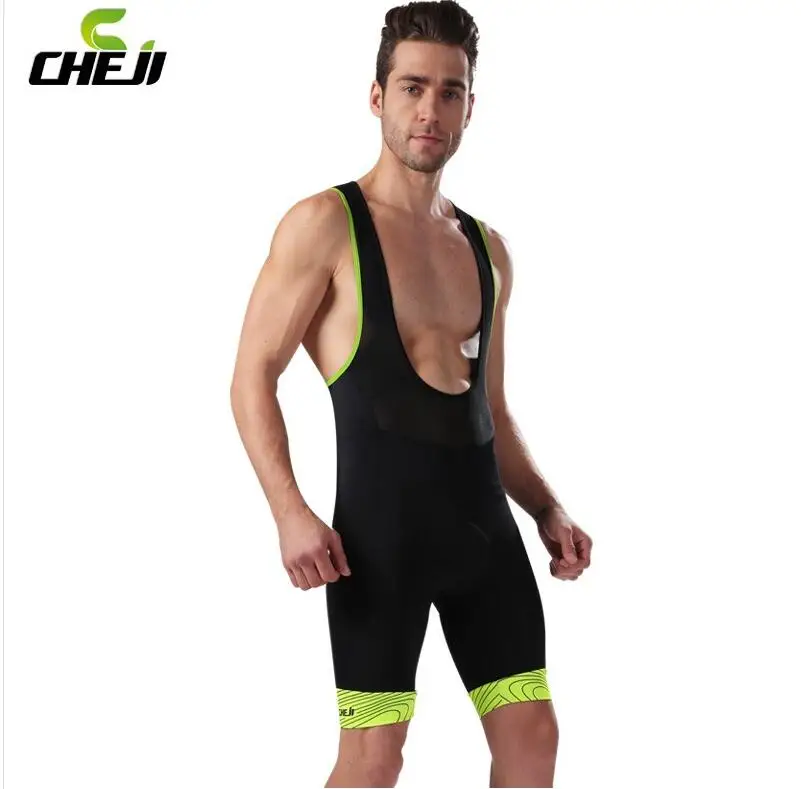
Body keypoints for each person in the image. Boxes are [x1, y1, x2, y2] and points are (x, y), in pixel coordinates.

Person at [230, 1, 593, 786]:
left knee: (533, 738)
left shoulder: (486, 248)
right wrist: (290, 512)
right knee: (374, 757)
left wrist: (546, 507)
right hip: (377, 545)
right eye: (412, 87)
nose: (430, 110)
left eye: (449, 91)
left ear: (469, 107)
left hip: (483, 538)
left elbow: (490, 410)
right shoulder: (323, 224)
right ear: (377, 96)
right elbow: (252, 374)